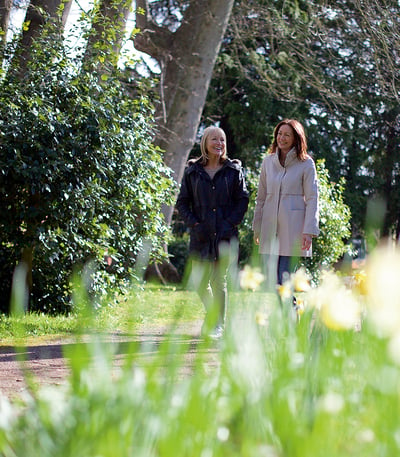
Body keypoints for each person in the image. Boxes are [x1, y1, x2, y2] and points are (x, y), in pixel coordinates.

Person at [176, 126, 249, 338]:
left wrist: (229, 223)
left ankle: (218, 326)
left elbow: (242, 200)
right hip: (201, 235)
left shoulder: (234, 171)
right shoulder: (192, 171)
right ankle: (213, 315)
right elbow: (182, 203)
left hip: (225, 234)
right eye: (215, 139)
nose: (219, 143)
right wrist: (195, 224)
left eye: (222, 140)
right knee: (199, 281)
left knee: (219, 280)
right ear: (205, 142)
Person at [252, 119, 319, 291]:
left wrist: (309, 231)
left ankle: (291, 315)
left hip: (293, 230)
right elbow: (261, 198)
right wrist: (257, 227)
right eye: (280, 134)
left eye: (287, 135)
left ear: (296, 138)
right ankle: (291, 316)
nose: (282, 138)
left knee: (284, 282)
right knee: (274, 284)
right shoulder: (268, 162)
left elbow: (312, 198)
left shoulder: (306, 163)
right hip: (270, 229)